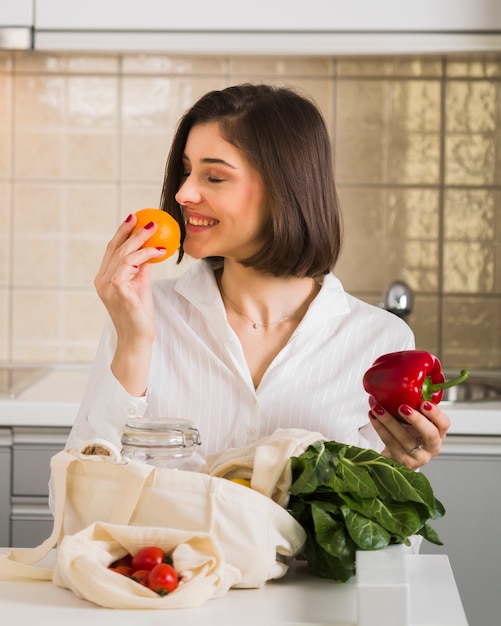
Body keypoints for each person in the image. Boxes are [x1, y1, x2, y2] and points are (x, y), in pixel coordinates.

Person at [66, 83, 450, 471]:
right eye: (186, 171)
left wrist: (394, 471)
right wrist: (134, 344)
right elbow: (75, 495)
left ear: (284, 189)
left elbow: (391, 533)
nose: (182, 194)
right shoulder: (144, 313)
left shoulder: (381, 341)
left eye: (214, 177)